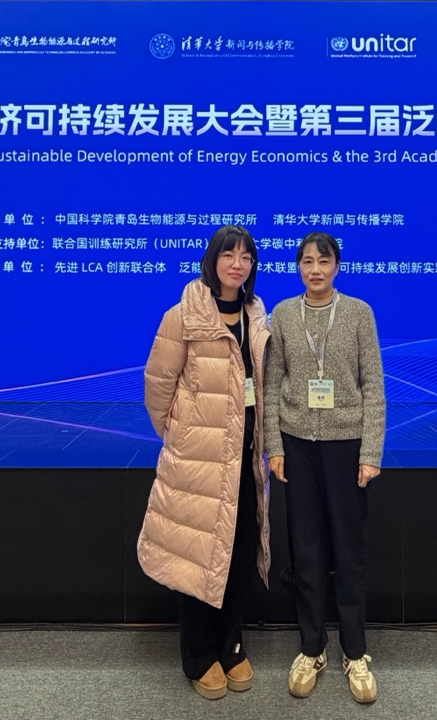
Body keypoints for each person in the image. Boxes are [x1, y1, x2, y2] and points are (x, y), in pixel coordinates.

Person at [137, 225, 271, 700]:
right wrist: (183, 436)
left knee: (237, 553)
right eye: (228, 255)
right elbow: (158, 387)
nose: (237, 264)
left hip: (243, 462)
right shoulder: (183, 317)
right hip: (198, 462)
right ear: (212, 260)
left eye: (246, 257)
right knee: (196, 556)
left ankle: (230, 645)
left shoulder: (257, 316)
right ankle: (199, 656)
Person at [264, 231, 386, 704]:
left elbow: (373, 385)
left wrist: (370, 452)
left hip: (346, 446)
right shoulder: (282, 314)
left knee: (349, 551)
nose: (315, 270)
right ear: (298, 267)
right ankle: (311, 647)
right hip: (296, 445)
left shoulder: (358, 313)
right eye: (307, 261)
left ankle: (355, 651)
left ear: (337, 266)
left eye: (324, 261)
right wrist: (274, 445)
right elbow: (272, 384)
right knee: (307, 550)